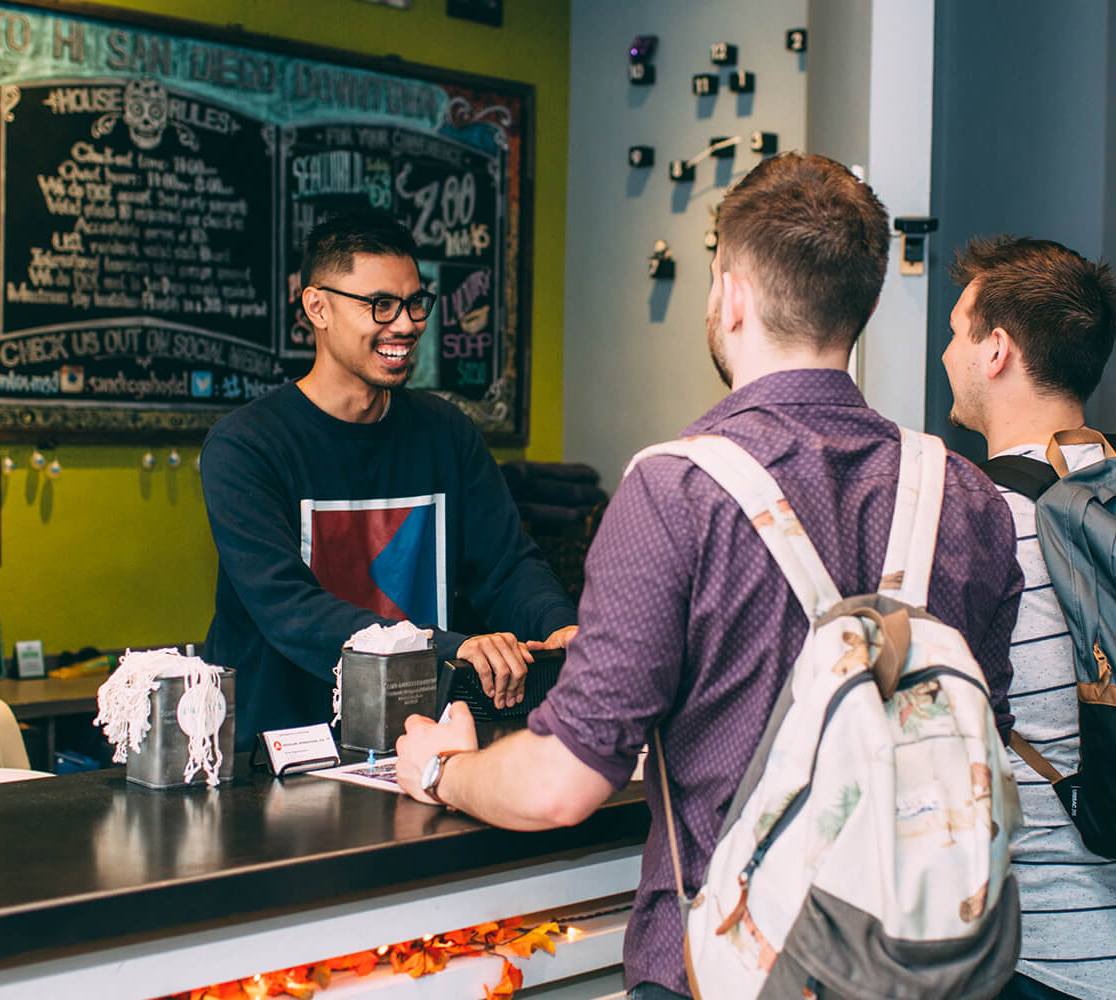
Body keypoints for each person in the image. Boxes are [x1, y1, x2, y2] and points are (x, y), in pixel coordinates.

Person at [392, 153, 1024, 1000]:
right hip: (926, 969)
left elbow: (560, 785)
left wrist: (444, 769)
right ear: (863, 305)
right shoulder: (969, 494)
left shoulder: (674, 489)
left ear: (728, 294)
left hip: (727, 972)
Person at [199, 211, 578, 750]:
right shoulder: (247, 446)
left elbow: (506, 564)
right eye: (380, 305)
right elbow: (289, 608)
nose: (404, 324)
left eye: (414, 303)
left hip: (420, 741)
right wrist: (451, 647)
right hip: (283, 751)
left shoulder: (446, 431)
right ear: (317, 307)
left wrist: (559, 626)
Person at [938, 235, 1116, 1000]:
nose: (949, 353)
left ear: (996, 349)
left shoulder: (974, 507)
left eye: (958, 331)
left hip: (1042, 946)